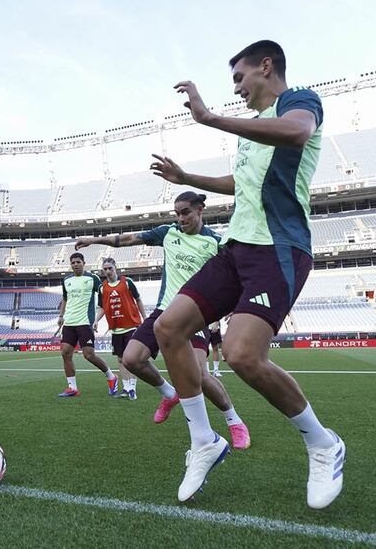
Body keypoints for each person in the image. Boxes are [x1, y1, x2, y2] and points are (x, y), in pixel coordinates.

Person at [152, 40, 343, 508]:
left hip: (279, 247)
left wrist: (210, 118)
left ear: (265, 66)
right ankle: (204, 441)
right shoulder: (253, 129)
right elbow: (241, 184)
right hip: (237, 248)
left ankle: (323, 443)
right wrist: (187, 179)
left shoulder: (300, 101)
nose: (236, 88)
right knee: (168, 328)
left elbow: (298, 134)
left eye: (239, 78)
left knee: (241, 355)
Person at [76, 192, 250, 451]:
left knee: (200, 375)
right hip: (163, 311)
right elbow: (128, 238)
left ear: (200, 210)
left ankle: (234, 421)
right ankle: (170, 394)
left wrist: (235, 308)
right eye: (177, 213)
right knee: (133, 359)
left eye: (185, 213)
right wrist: (95, 239)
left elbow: (236, 277)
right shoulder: (168, 232)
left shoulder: (215, 243)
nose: (180, 218)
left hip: (194, 315)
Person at [56, 252, 118, 397]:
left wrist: (99, 317)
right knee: (65, 352)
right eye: (73, 263)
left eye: (78, 262)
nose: (75, 264)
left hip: (84, 321)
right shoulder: (66, 280)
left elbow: (104, 294)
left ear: (83, 263)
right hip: (69, 322)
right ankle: (72, 388)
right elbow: (65, 299)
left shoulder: (93, 278)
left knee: (89, 355)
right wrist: (61, 315)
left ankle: (111, 376)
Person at [91, 257, 146, 399]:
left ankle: (133, 388)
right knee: (121, 359)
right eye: (105, 269)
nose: (108, 271)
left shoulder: (127, 282)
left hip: (132, 326)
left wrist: (145, 318)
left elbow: (138, 299)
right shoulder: (102, 288)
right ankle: (126, 388)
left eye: (110, 268)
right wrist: (96, 320)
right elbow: (103, 307)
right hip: (116, 329)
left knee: (132, 359)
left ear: (116, 268)